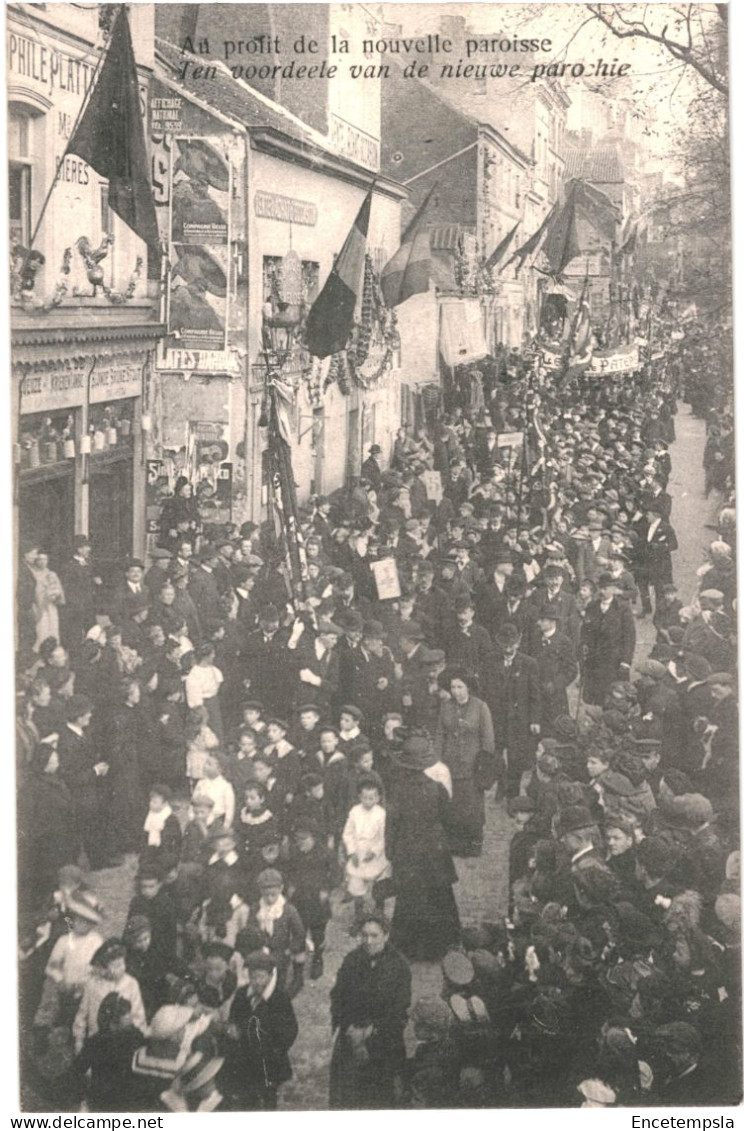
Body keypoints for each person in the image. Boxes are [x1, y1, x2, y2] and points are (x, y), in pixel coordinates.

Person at [385, 734, 461, 960]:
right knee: (438, 896)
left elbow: (392, 825)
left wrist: (390, 852)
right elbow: (450, 819)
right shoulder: (437, 788)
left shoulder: (398, 791)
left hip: (408, 852)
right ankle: (439, 947)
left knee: (409, 899)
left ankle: (409, 948)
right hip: (434, 852)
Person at [329, 912, 411, 1109]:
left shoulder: (399, 966)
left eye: (374, 935)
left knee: (379, 1097)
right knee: (347, 1096)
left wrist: (370, 1032)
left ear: (386, 936)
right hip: (351, 1037)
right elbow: (338, 997)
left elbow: (400, 1008)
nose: (368, 940)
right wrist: (348, 1028)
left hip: (384, 1041)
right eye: (364, 935)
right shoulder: (351, 960)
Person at [225, 951, 298, 1110]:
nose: (256, 982)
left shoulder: (279, 999)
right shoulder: (242, 994)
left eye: (260, 977)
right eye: (252, 976)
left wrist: (275, 1050)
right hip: (245, 1059)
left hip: (269, 1062)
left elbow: (291, 1030)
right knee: (247, 1100)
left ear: (271, 976)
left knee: (268, 1099)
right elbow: (233, 1017)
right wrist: (232, 1028)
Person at [434, 669, 495, 856]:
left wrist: (484, 766)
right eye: (453, 687)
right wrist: (438, 761)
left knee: (472, 807)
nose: (456, 691)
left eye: (460, 687)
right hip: (450, 765)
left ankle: (474, 843)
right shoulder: (446, 706)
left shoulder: (480, 707)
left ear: (468, 687)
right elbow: (440, 735)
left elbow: (488, 740)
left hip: (472, 766)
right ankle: (454, 843)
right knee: (452, 805)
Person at [74, 992, 145, 1112]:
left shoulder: (96, 1041)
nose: (132, 1027)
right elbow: (77, 1071)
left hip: (109, 1102)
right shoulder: (135, 1037)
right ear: (111, 1022)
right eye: (127, 1024)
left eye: (130, 1024)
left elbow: (77, 1071)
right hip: (118, 1103)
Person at [31, 551, 65, 653]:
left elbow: (59, 589)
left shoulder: (51, 573)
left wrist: (56, 594)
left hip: (51, 605)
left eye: (45, 559)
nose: (42, 562)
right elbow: (35, 591)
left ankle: (53, 648)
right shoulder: (33, 574)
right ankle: (41, 650)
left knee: (53, 625)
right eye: (40, 559)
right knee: (42, 627)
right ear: (36, 561)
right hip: (39, 605)